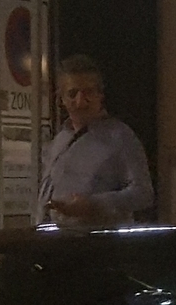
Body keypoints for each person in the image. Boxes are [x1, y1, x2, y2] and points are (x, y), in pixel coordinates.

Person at [39, 55, 154, 226]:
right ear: (61, 99)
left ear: (100, 94)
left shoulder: (120, 137)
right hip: (55, 243)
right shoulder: (59, 140)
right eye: (72, 94)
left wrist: (94, 204)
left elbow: (143, 194)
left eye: (88, 92)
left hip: (100, 245)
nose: (80, 101)